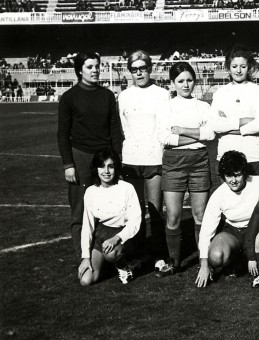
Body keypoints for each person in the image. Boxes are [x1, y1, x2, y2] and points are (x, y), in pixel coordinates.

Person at [195, 151, 259, 288]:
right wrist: (204, 266)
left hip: (257, 230)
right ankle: (237, 260)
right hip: (232, 233)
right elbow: (206, 231)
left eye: (237, 174)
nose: (234, 180)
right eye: (229, 176)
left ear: (244, 173)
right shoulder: (219, 194)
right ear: (223, 176)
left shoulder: (257, 182)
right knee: (216, 256)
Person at [57, 52, 123, 256]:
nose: (95, 70)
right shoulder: (69, 97)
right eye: (89, 67)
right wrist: (68, 164)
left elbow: (114, 131)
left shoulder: (107, 95)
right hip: (81, 156)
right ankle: (83, 256)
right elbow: (62, 134)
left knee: (110, 207)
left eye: (97, 66)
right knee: (80, 209)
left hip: (104, 158)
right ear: (79, 70)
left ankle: (108, 251)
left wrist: (115, 162)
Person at [154, 62, 216, 277]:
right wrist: (195, 134)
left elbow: (210, 135)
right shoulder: (166, 107)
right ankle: (175, 261)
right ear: (172, 83)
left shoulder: (204, 107)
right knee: (173, 216)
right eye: (180, 81)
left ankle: (203, 260)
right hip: (173, 162)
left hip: (199, 160)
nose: (185, 84)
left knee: (200, 215)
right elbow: (165, 138)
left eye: (189, 80)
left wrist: (181, 130)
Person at [117, 50, 170, 260]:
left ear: (150, 69)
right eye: (134, 70)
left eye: (143, 69)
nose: (139, 73)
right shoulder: (124, 96)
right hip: (130, 159)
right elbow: (123, 128)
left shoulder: (162, 94)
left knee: (156, 211)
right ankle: (138, 256)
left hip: (155, 157)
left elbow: (165, 127)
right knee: (135, 213)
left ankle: (158, 257)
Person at [78, 149, 141, 285]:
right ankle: (108, 263)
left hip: (124, 235)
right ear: (96, 169)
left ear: (116, 168)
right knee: (86, 280)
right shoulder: (91, 191)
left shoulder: (127, 188)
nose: (106, 171)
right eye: (102, 166)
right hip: (101, 235)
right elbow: (87, 225)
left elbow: (135, 222)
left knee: (111, 254)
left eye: (110, 166)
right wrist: (85, 257)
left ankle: (125, 266)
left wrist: (116, 239)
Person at [211, 45, 259, 176]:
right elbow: (215, 125)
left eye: (243, 66)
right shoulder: (220, 92)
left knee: (256, 196)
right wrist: (244, 121)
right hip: (226, 154)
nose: (238, 71)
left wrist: (229, 126)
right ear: (228, 68)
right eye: (234, 66)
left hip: (255, 156)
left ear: (249, 67)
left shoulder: (258, 91)